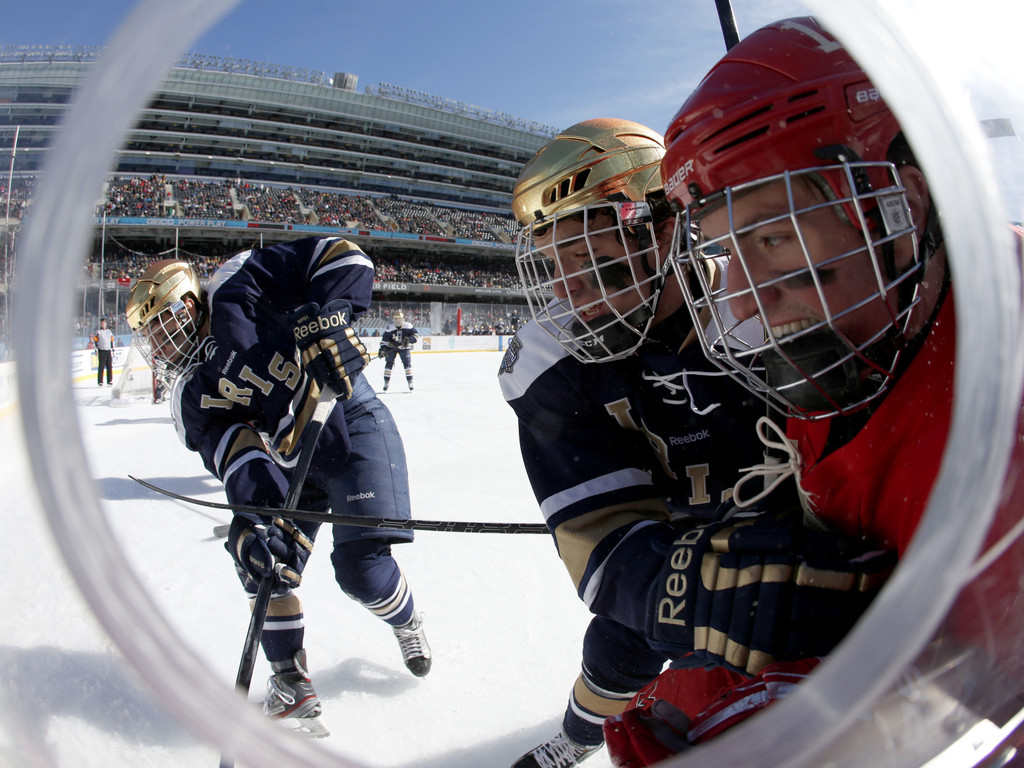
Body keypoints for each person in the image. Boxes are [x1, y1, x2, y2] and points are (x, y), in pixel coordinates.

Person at [602, 17, 1024, 765]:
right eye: (724, 253)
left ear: (904, 208)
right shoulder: (877, 333)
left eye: (774, 236)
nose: (740, 301)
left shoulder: (1001, 416)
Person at [498, 118, 771, 767]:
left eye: (591, 258)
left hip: (783, 535)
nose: (569, 289)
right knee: (618, 650)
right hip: (665, 554)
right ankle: (579, 736)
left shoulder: (765, 302)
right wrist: (708, 588)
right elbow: (608, 551)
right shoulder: (553, 360)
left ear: (667, 227)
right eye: (556, 262)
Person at [124, 237, 432, 738]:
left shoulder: (237, 284)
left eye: (159, 326)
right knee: (260, 563)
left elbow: (342, 255)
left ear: (187, 302)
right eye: (148, 336)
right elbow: (239, 455)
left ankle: (407, 621)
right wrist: (254, 518)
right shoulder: (191, 396)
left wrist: (330, 317)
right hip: (294, 455)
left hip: (352, 424)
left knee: (361, 571)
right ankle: (290, 680)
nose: (156, 346)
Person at [378, 310, 418, 391]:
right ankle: (386, 383)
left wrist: (409, 339)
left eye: (400, 319)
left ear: (403, 319)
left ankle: (410, 383)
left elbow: (416, 336)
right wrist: (383, 349)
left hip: (404, 348)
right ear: (394, 320)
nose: (398, 320)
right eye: (396, 319)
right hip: (391, 348)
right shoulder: (390, 328)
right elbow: (384, 341)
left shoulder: (408, 326)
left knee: (407, 364)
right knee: (388, 364)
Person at [94, 317, 114, 386]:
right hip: (101, 350)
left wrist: (113, 350)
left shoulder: (109, 331)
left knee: (109, 366)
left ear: (106, 323)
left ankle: (109, 381)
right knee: (101, 366)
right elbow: (96, 341)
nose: (103, 324)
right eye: (101, 323)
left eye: (104, 323)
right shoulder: (98, 332)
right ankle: (100, 381)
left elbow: (111, 341)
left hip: (108, 350)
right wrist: (96, 350)